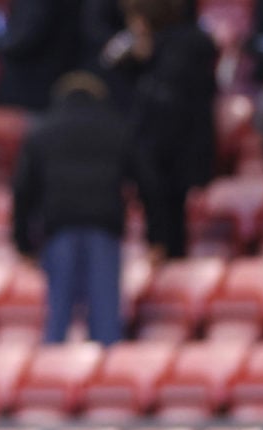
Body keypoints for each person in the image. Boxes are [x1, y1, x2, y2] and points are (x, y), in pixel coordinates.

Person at [13, 72, 156, 345]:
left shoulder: (42, 131)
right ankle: (109, 382)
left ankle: (50, 381)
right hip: (104, 227)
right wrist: (157, 235)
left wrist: (23, 243)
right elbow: (147, 183)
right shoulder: (117, 128)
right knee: (106, 318)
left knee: (58, 319)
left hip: (59, 229)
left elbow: (23, 191)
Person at [117, 0, 216, 260]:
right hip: (170, 151)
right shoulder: (173, 48)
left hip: (170, 151)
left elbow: (166, 103)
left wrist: (146, 59)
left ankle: (164, 253)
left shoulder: (177, 51)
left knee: (169, 219)